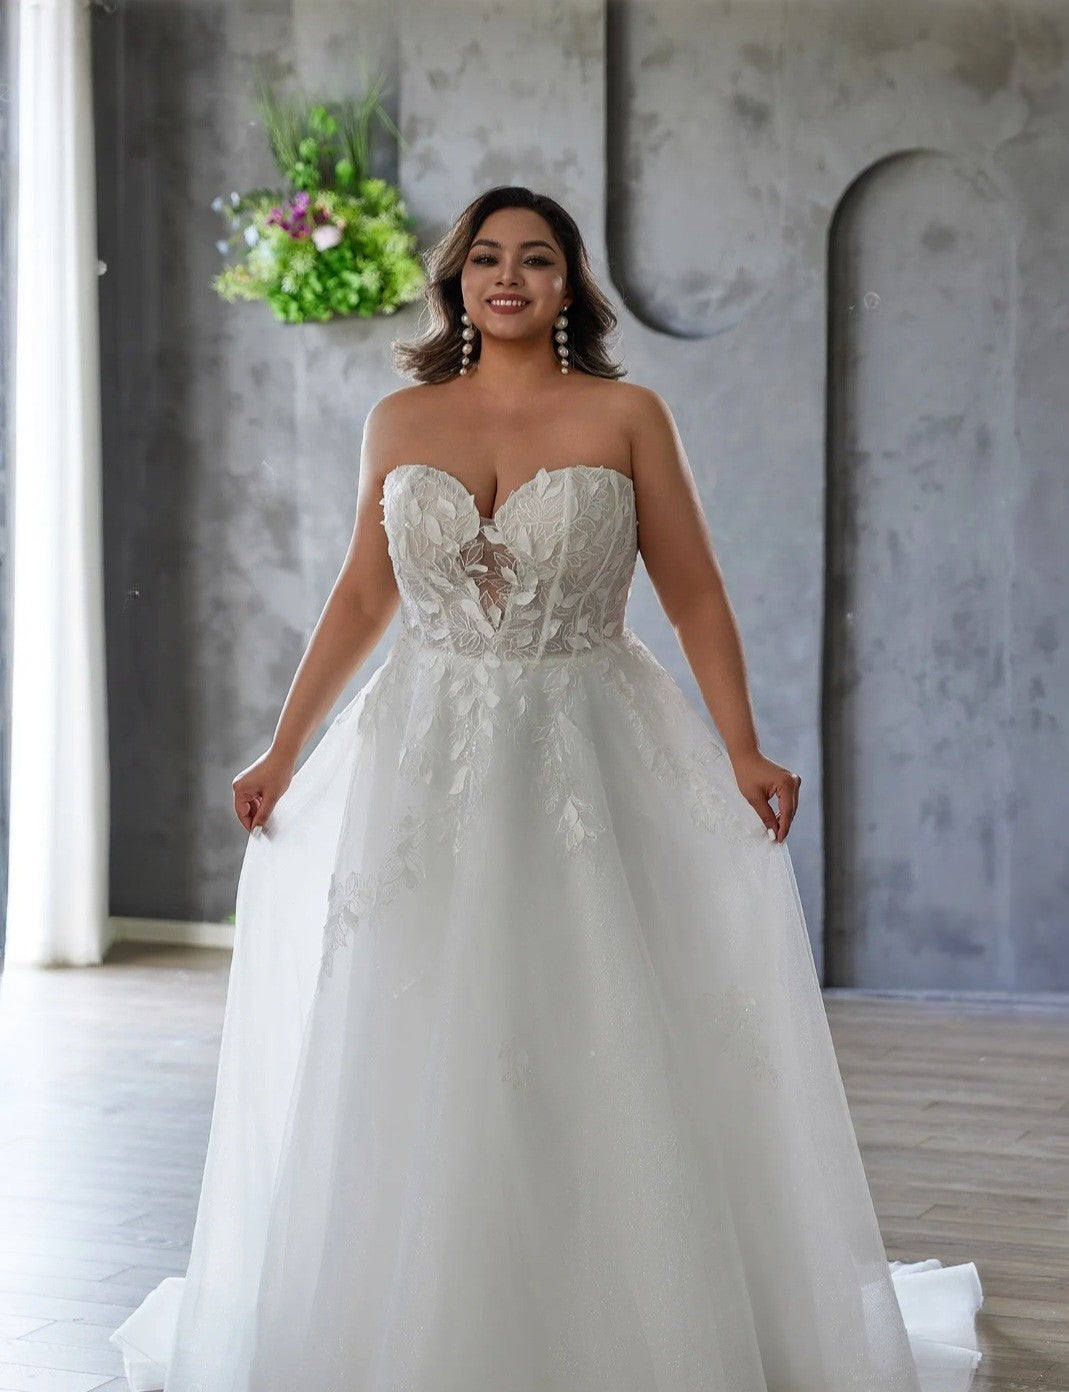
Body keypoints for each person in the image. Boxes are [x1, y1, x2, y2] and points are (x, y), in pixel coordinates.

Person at [110, 185, 982, 1392]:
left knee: (587, 1010)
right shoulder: (400, 417)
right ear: (454, 283)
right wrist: (280, 747)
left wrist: (741, 746)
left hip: (586, 741)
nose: (506, 277)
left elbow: (694, 593)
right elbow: (364, 595)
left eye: (534, 259)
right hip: (422, 752)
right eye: (484, 259)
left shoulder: (626, 413)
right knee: (425, 1018)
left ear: (570, 283)